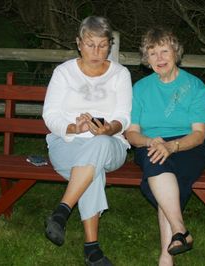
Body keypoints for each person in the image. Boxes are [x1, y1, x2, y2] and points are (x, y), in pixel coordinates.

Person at [42, 16, 132, 266]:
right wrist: (73, 126)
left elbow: (124, 116)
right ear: (79, 43)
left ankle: (61, 212)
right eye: (90, 44)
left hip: (111, 145)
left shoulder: (120, 74)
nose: (97, 51)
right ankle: (92, 250)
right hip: (67, 144)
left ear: (110, 45)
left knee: (99, 146)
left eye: (103, 45)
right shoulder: (64, 73)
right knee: (92, 168)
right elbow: (50, 115)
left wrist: (109, 128)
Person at [125, 27, 205, 266]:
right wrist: (150, 141)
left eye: (164, 51)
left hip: (188, 145)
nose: (160, 58)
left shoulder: (195, 86)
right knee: (156, 160)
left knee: (161, 175)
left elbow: (198, 134)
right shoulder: (140, 89)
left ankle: (167, 256)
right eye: (153, 53)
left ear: (176, 53)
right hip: (150, 144)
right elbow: (131, 133)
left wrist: (172, 146)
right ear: (147, 59)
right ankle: (179, 231)